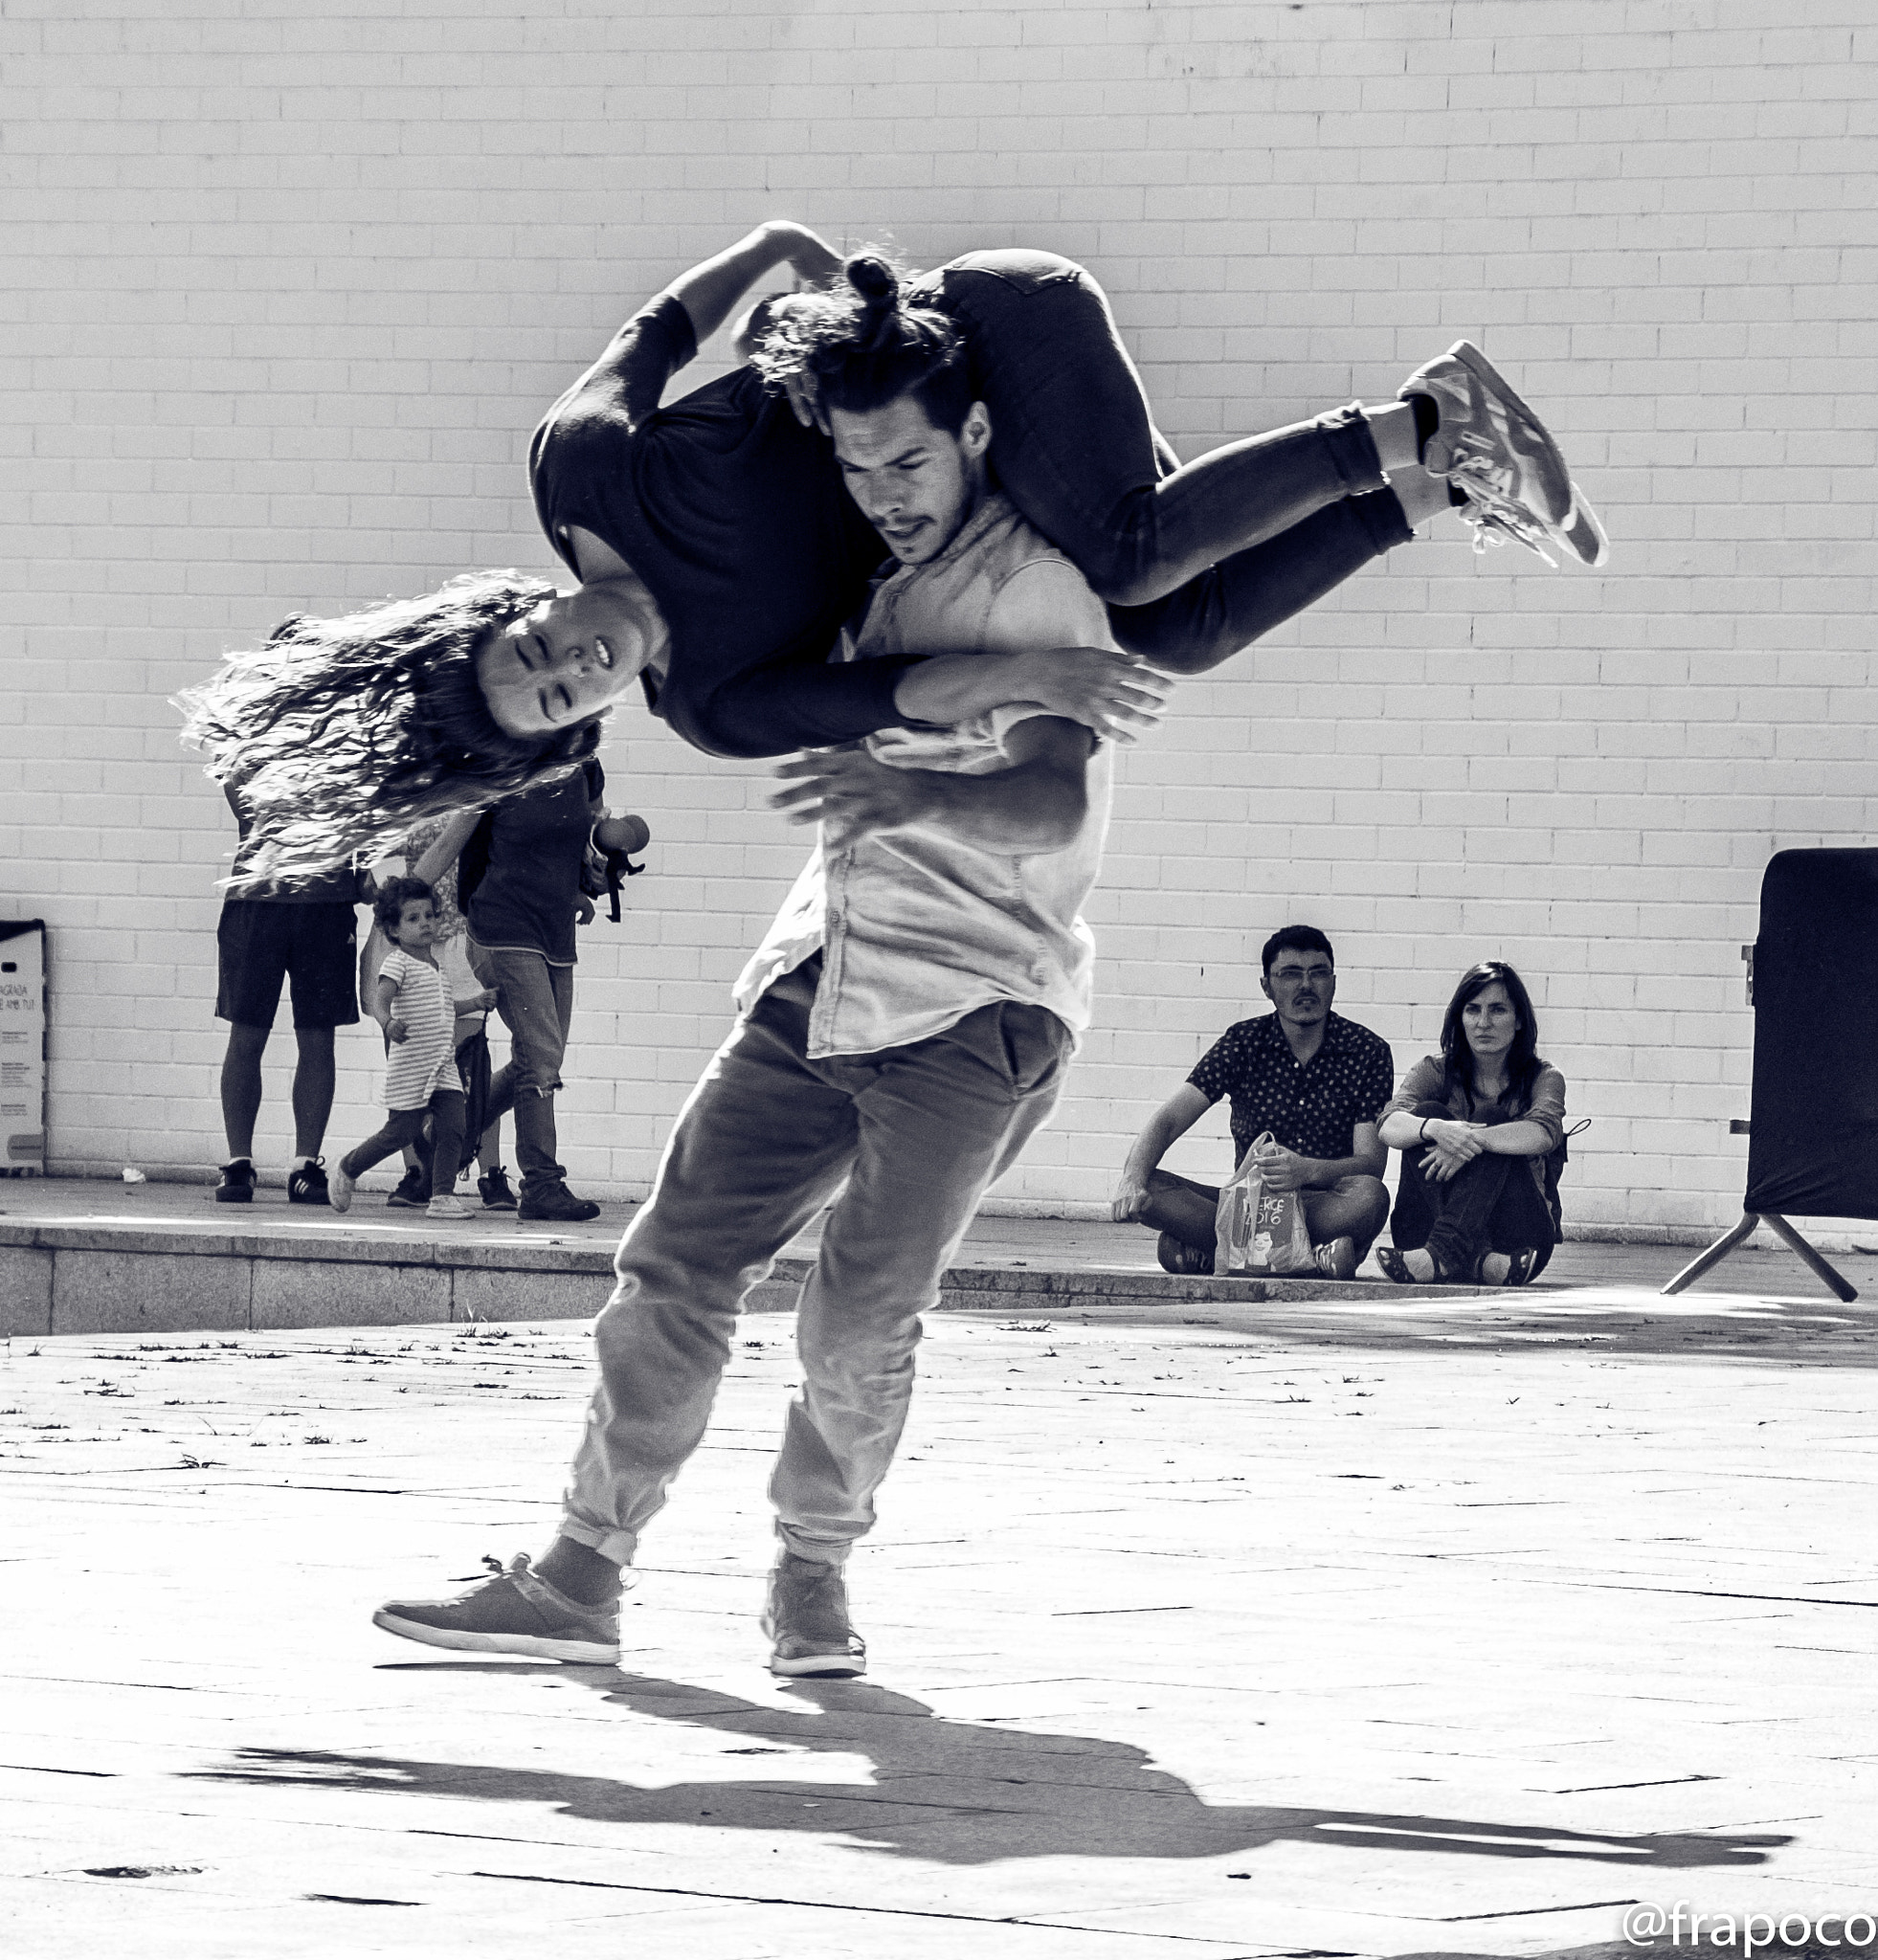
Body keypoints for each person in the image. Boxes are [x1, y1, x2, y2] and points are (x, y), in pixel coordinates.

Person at [371, 263, 1126, 1677]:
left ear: (971, 438)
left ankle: (811, 1578)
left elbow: (1053, 808)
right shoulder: (869, 574)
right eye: (858, 464)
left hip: (978, 1008)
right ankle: (579, 1578)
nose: (882, 488)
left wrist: (905, 798)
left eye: (907, 457)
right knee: (672, 1265)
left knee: (860, 1311)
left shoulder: (1033, 586)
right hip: (818, 977)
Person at [177, 221, 1602, 880]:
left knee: (1138, 556)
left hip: (992, 325)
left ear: (509, 609)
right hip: (985, 441)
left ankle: (1425, 414)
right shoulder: (721, 704)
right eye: (561, 696)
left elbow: (658, 328)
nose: (572, 658)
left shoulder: (582, 463)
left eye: (532, 647)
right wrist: (1035, 669)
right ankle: (1441, 489)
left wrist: (784, 254)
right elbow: (891, 699)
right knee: (1173, 627)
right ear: (576, 740)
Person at [1111, 925, 1393, 1279]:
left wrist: (1307, 1169)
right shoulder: (1243, 1042)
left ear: (1333, 983)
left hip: (1319, 1204)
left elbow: (1370, 1163)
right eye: (1290, 974)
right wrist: (1132, 1180)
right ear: (1267, 986)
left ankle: (1220, 1252)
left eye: (1317, 973)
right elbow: (1169, 1118)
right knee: (1149, 1186)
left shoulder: (1368, 1051)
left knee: (1370, 1197)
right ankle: (1310, 1257)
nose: (1305, 986)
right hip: (1243, 1208)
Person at [212, 779, 365, 1205]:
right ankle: (238, 1163)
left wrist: (363, 870)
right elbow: (248, 806)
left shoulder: (352, 723)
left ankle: (304, 1165)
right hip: (258, 899)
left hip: (326, 903)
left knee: (318, 1037)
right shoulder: (256, 724)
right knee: (247, 1034)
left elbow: (364, 808)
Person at [1375, 962, 1568, 1287]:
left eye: (1497, 1010)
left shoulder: (1544, 1077)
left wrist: (1472, 1140)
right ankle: (1477, 1260)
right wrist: (1435, 1129)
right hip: (1426, 1235)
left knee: (1494, 1119)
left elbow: (1544, 1133)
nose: (1483, 1023)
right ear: (1459, 1017)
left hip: (1518, 1243)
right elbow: (1388, 1125)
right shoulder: (1433, 1071)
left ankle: (1444, 1255)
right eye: (1473, 1010)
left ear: (1519, 1019)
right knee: (1426, 1112)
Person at [328, 879, 495, 1219]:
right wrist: (387, 1022)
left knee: (454, 1126)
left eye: (430, 916)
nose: (425, 924)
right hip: (413, 1066)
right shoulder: (397, 964)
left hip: (442, 1064)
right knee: (401, 1131)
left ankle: (442, 1196)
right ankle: (348, 1167)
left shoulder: (437, 967)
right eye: (413, 919)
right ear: (393, 928)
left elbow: (446, 1007)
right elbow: (379, 1000)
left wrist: (476, 1001)